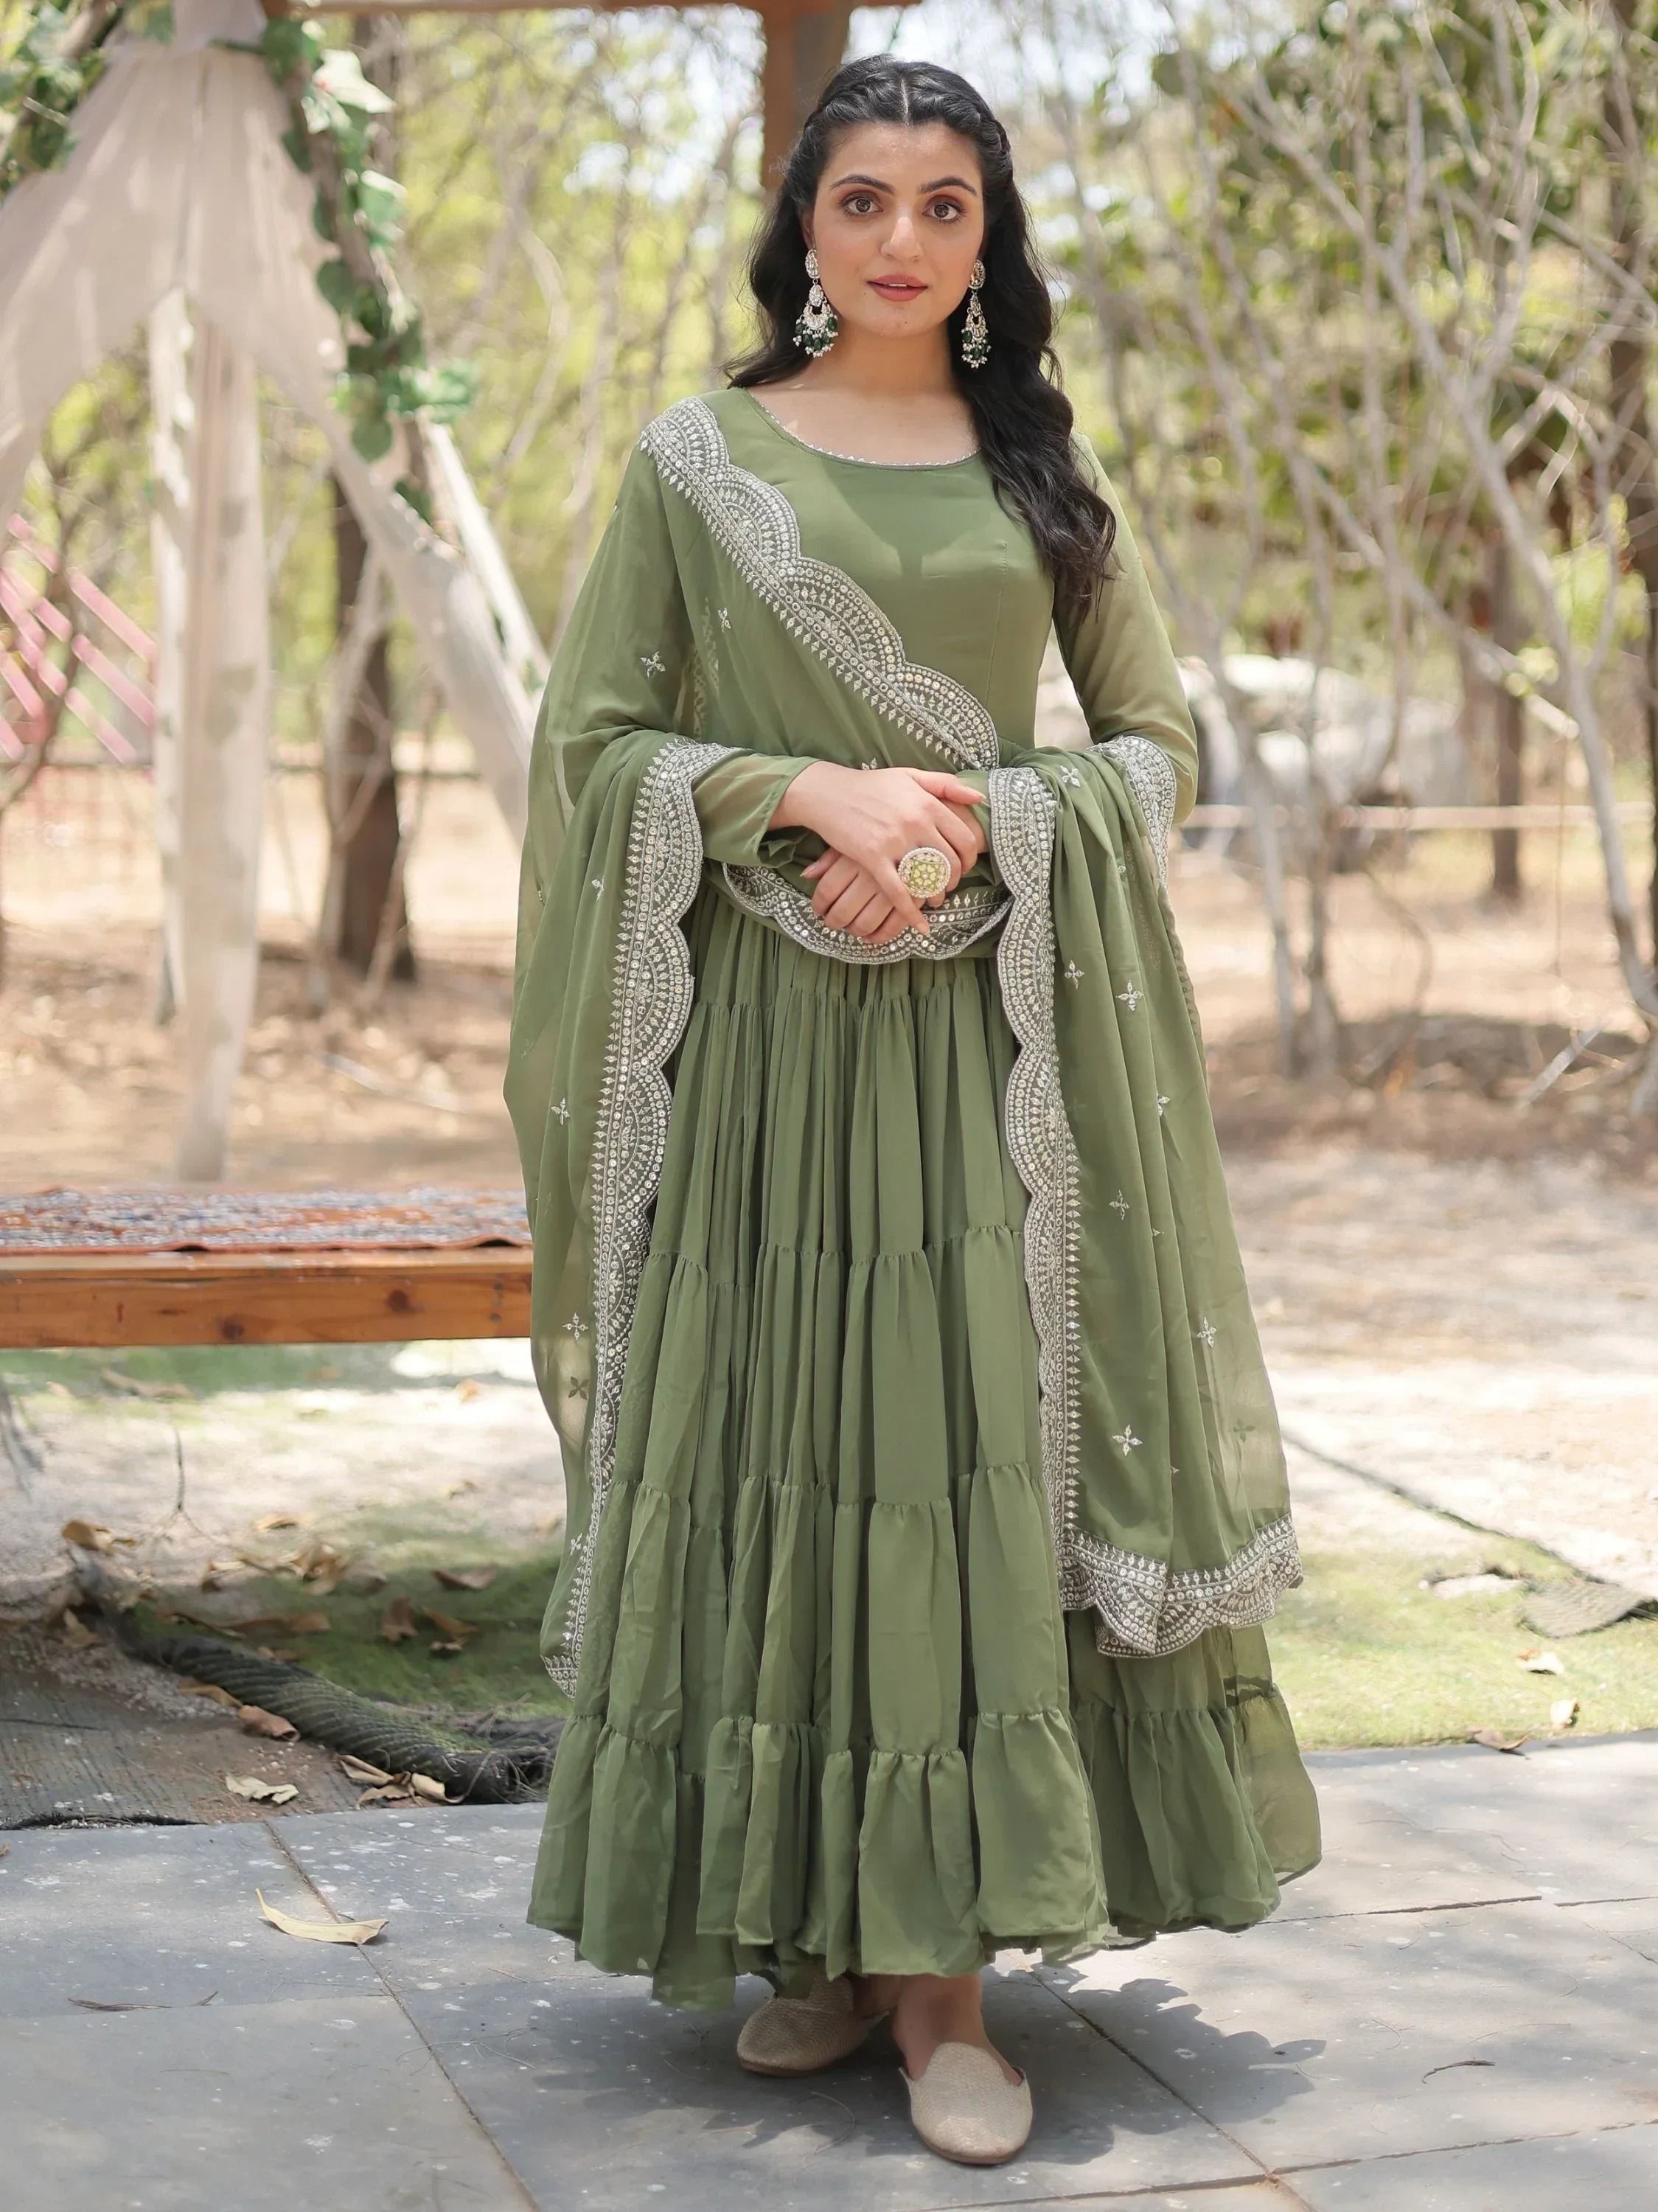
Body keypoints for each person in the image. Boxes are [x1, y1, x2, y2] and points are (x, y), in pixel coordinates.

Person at [505, 52, 1320, 2170]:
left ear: (985, 241)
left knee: (955, 1459)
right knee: (787, 1447)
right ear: (804, 227)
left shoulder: (1036, 471)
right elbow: (594, 741)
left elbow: (1151, 747)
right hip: (765, 1071)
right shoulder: (696, 465)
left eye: (941, 206)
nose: (895, 239)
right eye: (859, 199)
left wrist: (967, 835)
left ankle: (945, 1976)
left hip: (988, 1074)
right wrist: (797, 796)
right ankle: (822, 1936)